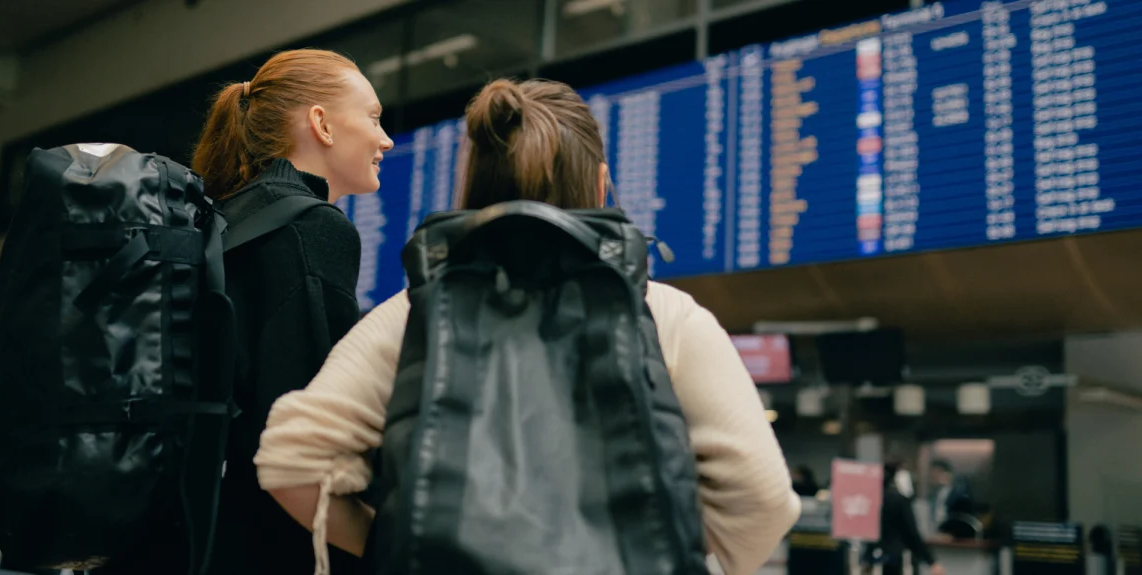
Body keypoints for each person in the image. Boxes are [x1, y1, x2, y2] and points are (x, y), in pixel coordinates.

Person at [253, 78, 802, 575]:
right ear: (601, 184)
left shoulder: (413, 314)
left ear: (473, 187)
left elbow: (291, 463)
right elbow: (765, 500)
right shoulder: (668, 316)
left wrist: (397, 550)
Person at [171, 48, 392, 575]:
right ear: (321, 123)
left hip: (185, 535)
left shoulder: (223, 216)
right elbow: (315, 438)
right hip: (260, 548)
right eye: (373, 117)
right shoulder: (312, 228)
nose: (385, 139)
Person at [866, 462, 944, 575]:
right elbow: (912, 534)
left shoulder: (871, 499)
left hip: (874, 558)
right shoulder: (900, 501)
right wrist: (931, 561)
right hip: (897, 560)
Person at [927, 459, 972, 531]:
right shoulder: (933, 495)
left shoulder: (958, 495)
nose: (933, 477)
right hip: (935, 530)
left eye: (936, 474)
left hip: (953, 532)